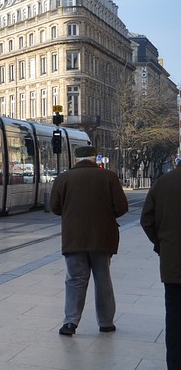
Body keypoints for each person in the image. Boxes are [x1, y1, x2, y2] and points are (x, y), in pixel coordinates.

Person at [49, 144, 128, 336]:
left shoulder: (63, 178)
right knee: (103, 279)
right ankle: (106, 322)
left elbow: (54, 207)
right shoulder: (109, 177)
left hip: (74, 236)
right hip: (103, 236)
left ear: (75, 159)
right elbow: (122, 207)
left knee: (75, 279)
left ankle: (70, 322)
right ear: (95, 158)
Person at [140, 165, 181, 370]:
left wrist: (162, 244)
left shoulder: (163, 182)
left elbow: (146, 219)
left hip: (173, 260)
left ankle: (175, 368)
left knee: (174, 314)